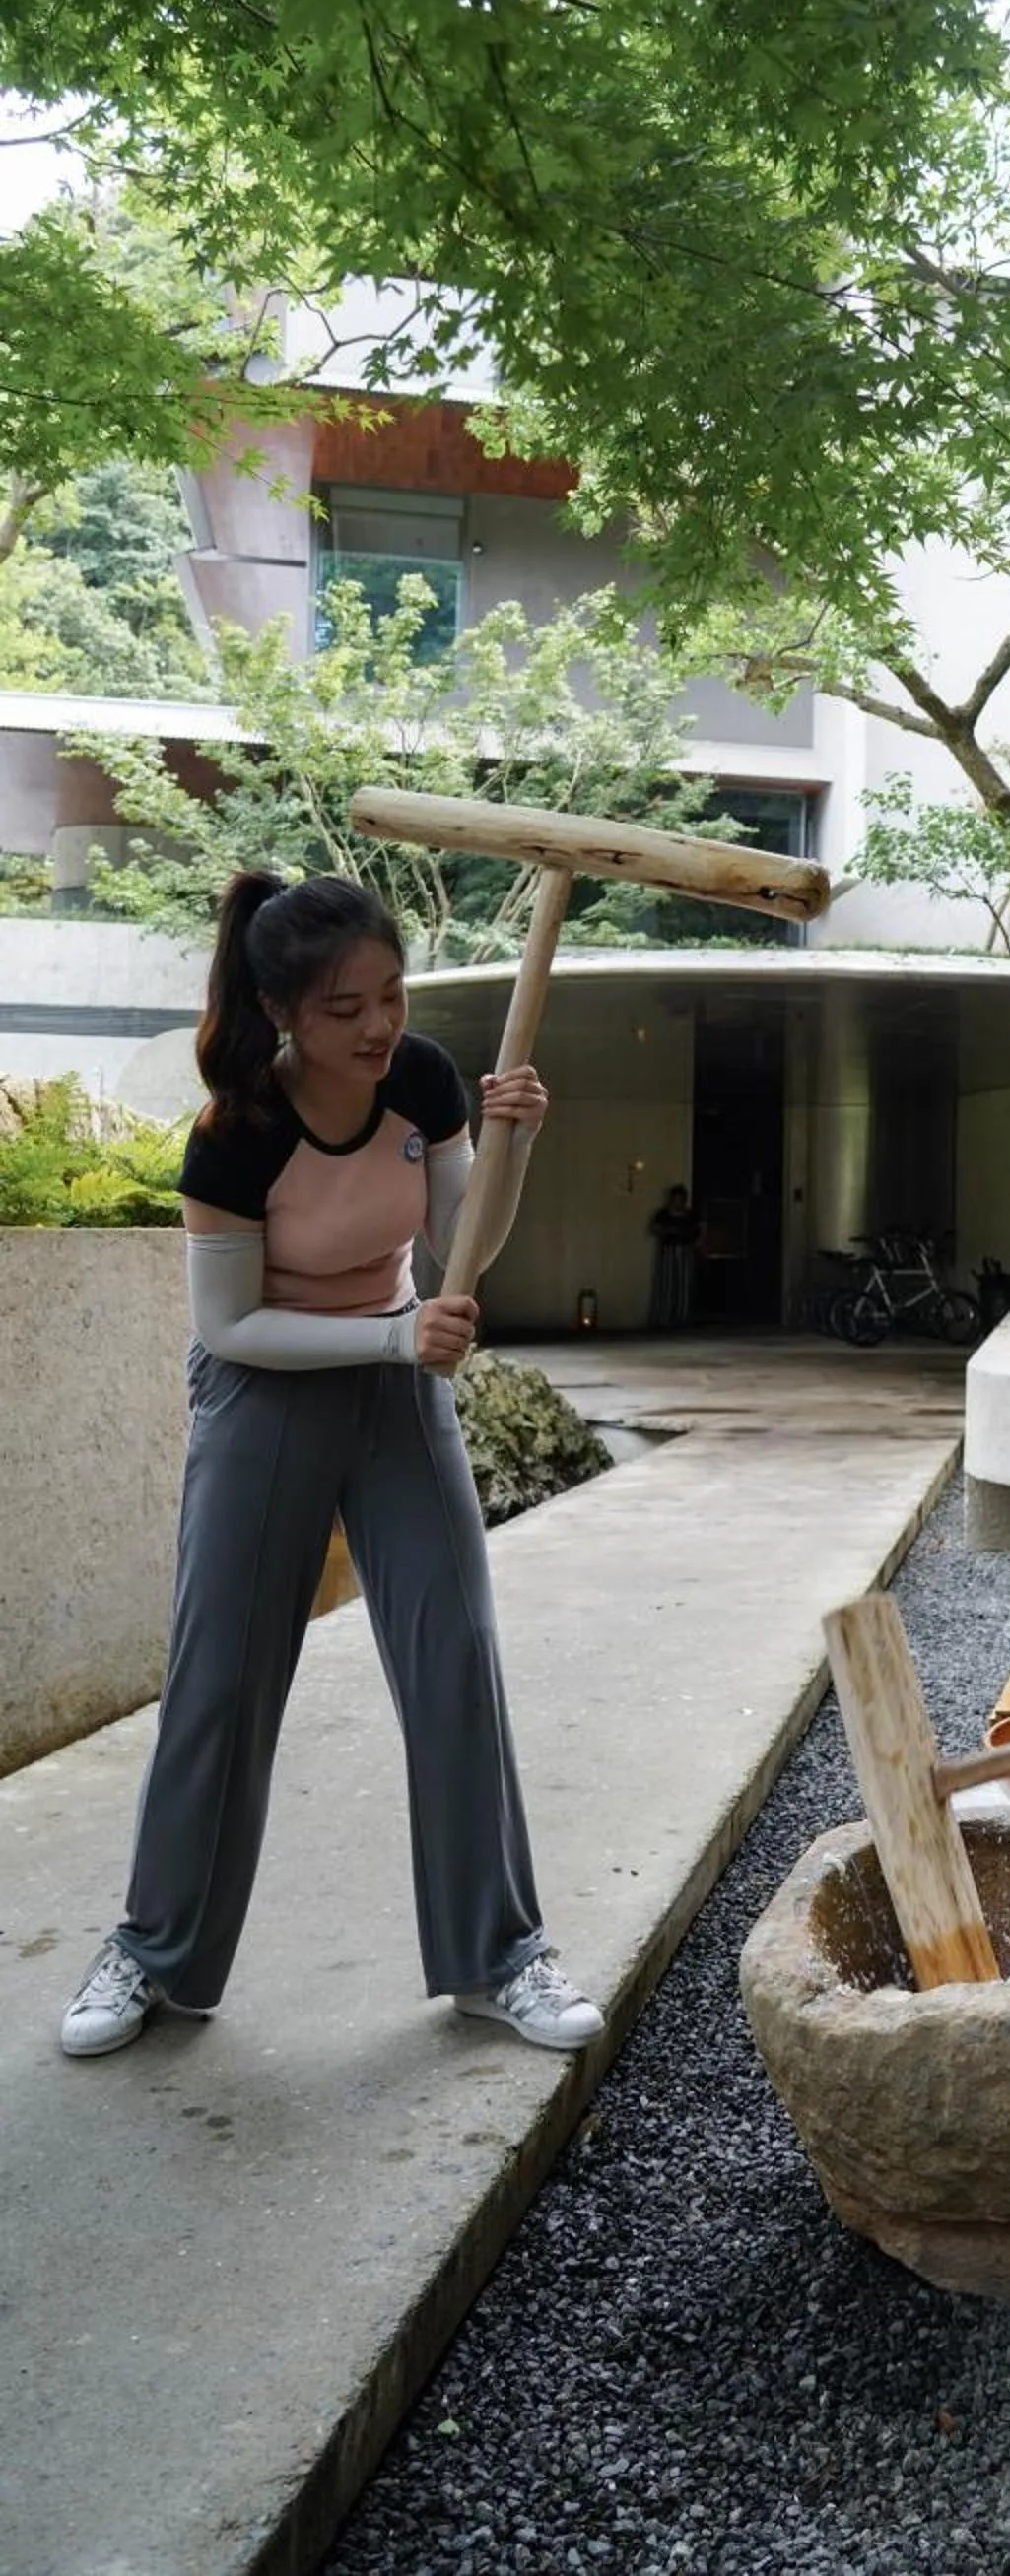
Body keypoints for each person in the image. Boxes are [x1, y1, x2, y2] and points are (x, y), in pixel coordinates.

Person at [59, 870, 603, 2061]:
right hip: (267, 1386)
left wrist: (509, 1143)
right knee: (221, 1676)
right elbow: (229, 1327)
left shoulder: (423, 1080)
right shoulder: (236, 1135)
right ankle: (154, 1953)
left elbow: (458, 1241)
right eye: (345, 1007)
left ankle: (498, 1955)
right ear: (282, 1011)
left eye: (392, 995)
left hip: (396, 1380)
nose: (378, 1026)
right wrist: (394, 1339)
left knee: (454, 1655)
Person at [647, 1181, 700, 1330]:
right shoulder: (663, 1214)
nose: (678, 1203)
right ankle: (665, 1318)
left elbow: (700, 1228)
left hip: (685, 1250)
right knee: (667, 1285)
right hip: (668, 1251)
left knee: (684, 1286)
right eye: (675, 1199)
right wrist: (668, 1231)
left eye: (680, 1199)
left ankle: (682, 1317)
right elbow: (655, 1229)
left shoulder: (691, 1215)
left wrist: (697, 1242)